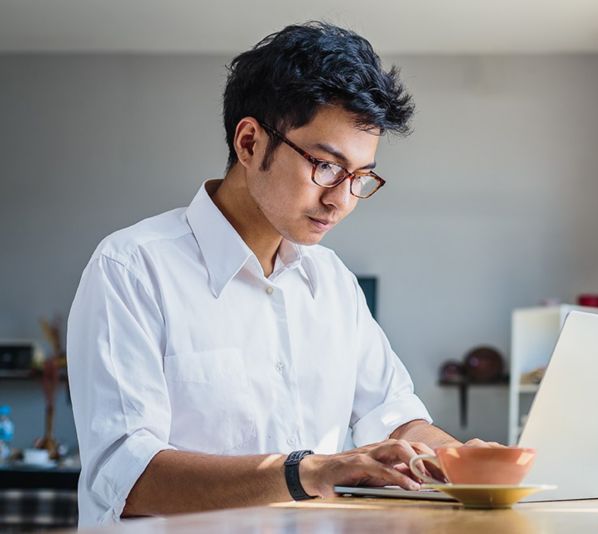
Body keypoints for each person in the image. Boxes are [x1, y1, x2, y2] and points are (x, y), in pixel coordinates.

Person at [67, 22, 498, 527]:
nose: (341, 200)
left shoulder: (333, 283)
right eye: (326, 166)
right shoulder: (132, 269)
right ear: (249, 143)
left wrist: (466, 460)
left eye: (361, 178)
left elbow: (398, 417)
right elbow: (128, 478)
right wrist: (307, 473)